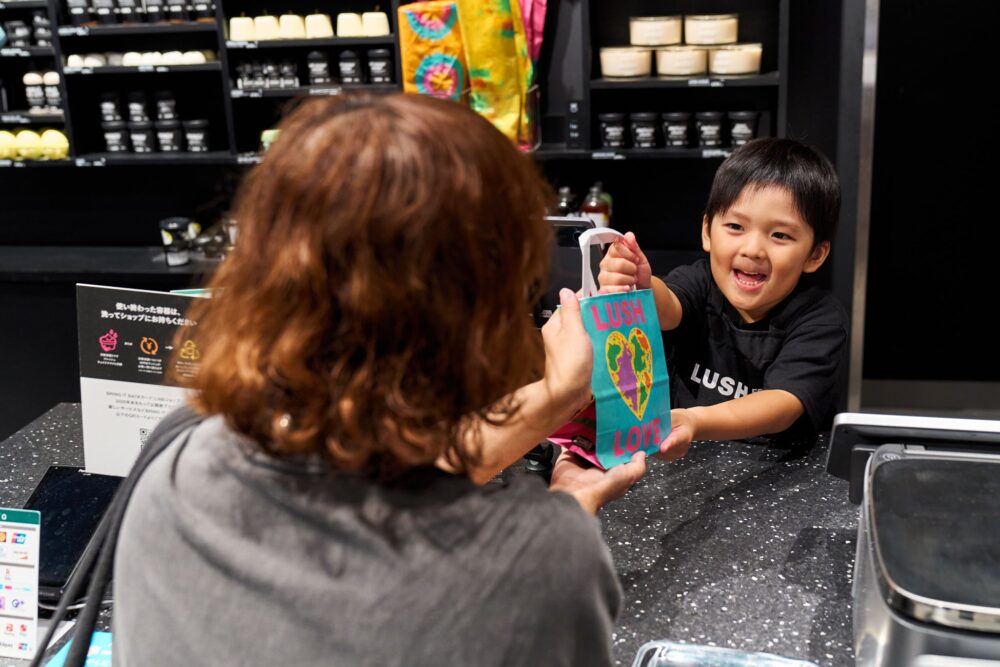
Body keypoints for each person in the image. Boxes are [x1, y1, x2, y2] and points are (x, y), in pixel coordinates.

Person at [112, 94, 646, 667]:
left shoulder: (176, 465)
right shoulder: (546, 559)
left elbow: (372, 465)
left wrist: (554, 400)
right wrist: (562, 510)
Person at [598, 138, 847, 458]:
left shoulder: (820, 318)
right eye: (735, 226)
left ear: (815, 254)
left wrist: (695, 421)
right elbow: (668, 306)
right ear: (707, 231)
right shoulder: (701, 281)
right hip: (685, 459)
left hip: (780, 468)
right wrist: (640, 285)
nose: (753, 249)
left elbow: (783, 403)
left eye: (780, 235)